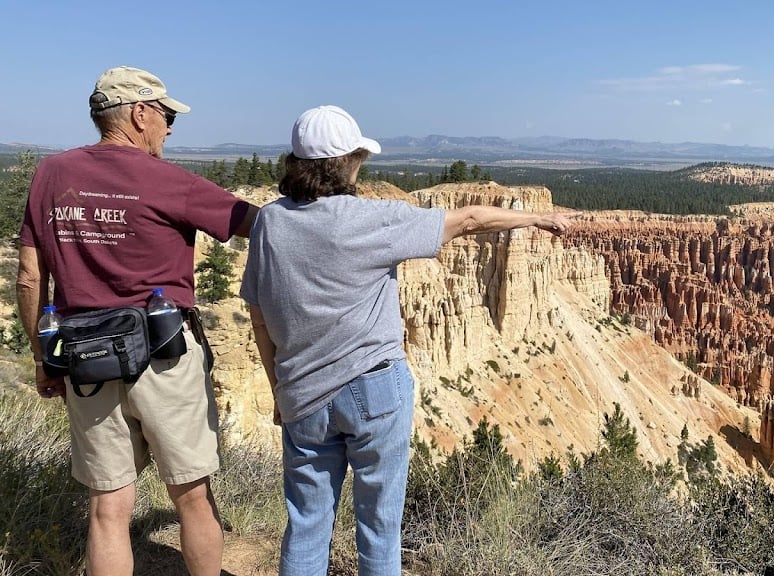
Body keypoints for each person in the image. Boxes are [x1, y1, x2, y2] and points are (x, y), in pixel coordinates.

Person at [240, 105, 577, 575]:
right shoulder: (372, 219)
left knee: (307, 525)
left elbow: (257, 315)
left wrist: (278, 386)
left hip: (302, 396)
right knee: (379, 526)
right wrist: (537, 219)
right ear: (345, 162)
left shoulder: (269, 224)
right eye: (358, 155)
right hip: (373, 390)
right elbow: (469, 220)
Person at [17, 66, 258, 575]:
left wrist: (44, 358)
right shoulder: (170, 181)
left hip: (86, 361)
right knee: (191, 495)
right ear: (140, 113)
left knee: (108, 508)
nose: (170, 128)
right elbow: (259, 225)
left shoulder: (51, 175)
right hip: (162, 355)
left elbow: (27, 277)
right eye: (167, 116)